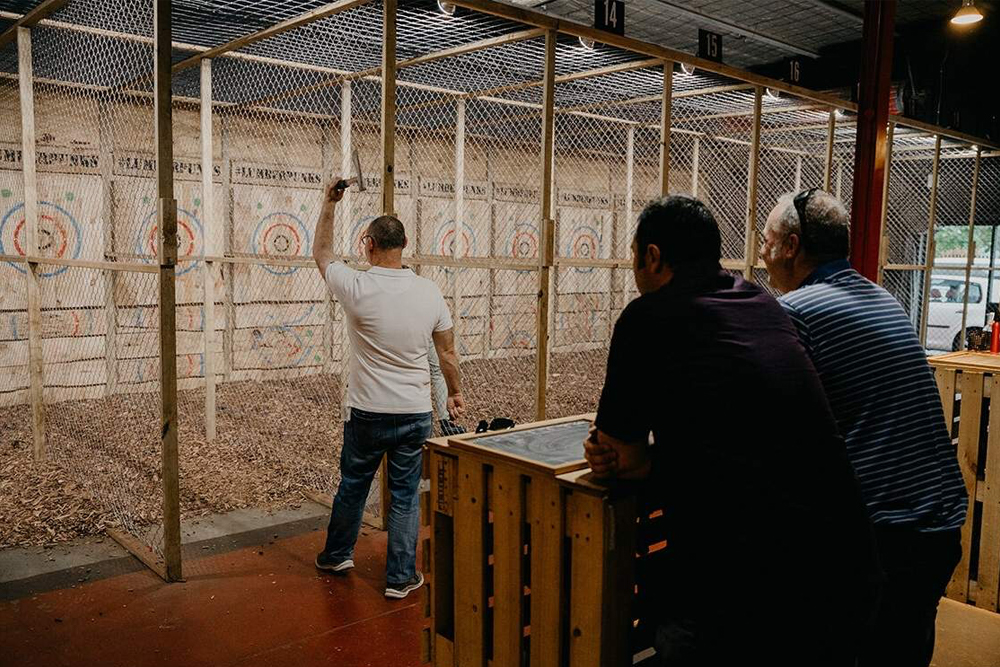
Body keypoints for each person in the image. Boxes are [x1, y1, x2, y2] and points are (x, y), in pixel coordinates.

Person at [583, 195, 878, 666]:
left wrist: (629, 457)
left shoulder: (648, 318)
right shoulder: (761, 301)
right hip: (839, 557)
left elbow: (627, 459)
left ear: (653, 256)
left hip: (740, 574)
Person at [761, 188, 968, 667]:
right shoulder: (882, 298)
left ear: (791, 246)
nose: (761, 252)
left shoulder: (796, 313)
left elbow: (772, 423)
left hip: (884, 536)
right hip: (937, 527)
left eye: (767, 240)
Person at [312, 176, 465, 599]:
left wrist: (330, 202)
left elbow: (322, 253)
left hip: (366, 412)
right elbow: (448, 356)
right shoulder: (429, 292)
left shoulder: (356, 286)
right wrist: (453, 393)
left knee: (353, 485)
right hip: (414, 412)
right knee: (404, 495)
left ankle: (338, 554)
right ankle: (399, 578)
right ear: (405, 244)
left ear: (368, 244)